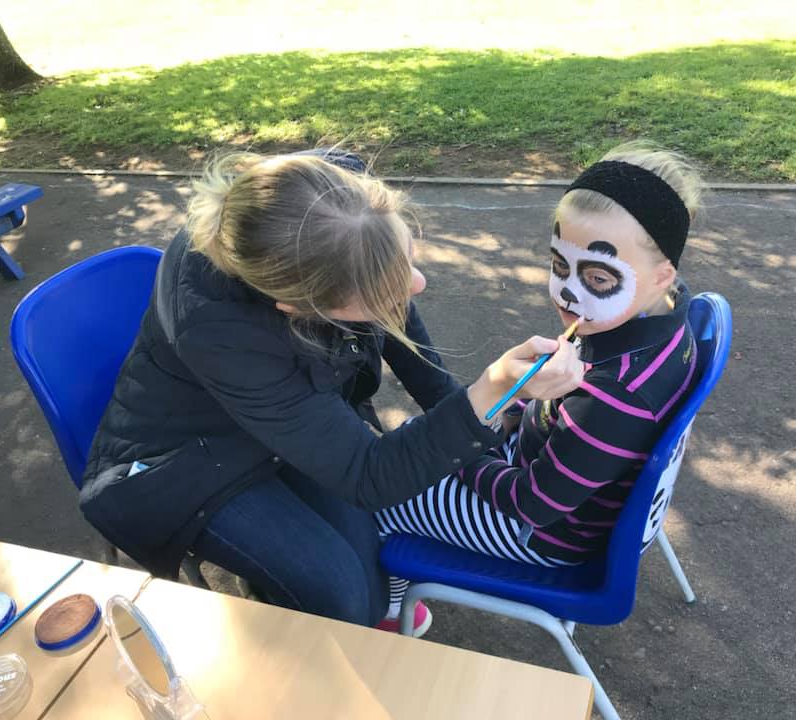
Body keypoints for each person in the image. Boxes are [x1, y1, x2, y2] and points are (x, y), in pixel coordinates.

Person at [79, 150, 584, 630]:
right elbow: (368, 474)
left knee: (372, 577)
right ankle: (287, 626)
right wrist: (488, 392)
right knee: (342, 597)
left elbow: (396, 324)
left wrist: (474, 414)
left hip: (284, 422)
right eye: (384, 289)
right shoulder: (221, 332)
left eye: (405, 256)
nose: (418, 282)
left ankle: (293, 596)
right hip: (189, 463)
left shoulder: (332, 204)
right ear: (299, 309)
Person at [375, 142, 703, 627]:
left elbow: (534, 504)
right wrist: (501, 415)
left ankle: (388, 608)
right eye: (558, 265)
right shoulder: (665, 315)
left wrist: (459, 455)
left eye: (598, 276)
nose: (568, 292)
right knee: (418, 438)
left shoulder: (617, 395)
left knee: (381, 490)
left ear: (662, 275)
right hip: (551, 477)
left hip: (545, 534)